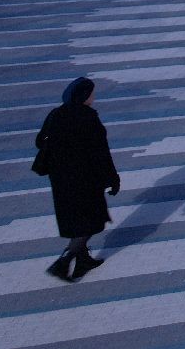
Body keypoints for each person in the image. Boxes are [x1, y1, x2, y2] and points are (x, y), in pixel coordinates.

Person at [34, 76, 119, 282]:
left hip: (60, 179)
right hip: (85, 179)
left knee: (76, 219)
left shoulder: (56, 113)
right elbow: (101, 152)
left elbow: (39, 142)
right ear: (83, 96)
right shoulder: (88, 117)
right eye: (91, 93)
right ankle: (63, 262)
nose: (94, 97)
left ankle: (83, 261)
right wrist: (112, 178)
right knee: (91, 221)